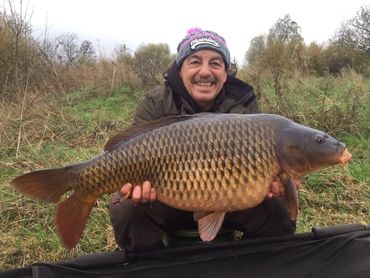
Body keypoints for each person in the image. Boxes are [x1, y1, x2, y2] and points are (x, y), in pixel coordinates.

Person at [108, 28, 296, 252]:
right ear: (180, 70)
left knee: (278, 207)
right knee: (127, 209)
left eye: (216, 63)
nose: (205, 72)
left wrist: (273, 183)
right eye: (195, 61)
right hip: (168, 198)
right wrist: (138, 189)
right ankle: (154, 267)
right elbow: (128, 154)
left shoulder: (243, 103)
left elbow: (267, 166)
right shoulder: (156, 103)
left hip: (231, 199)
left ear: (226, 73)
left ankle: (250, 265)